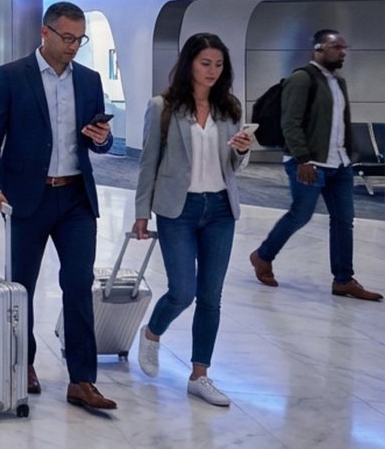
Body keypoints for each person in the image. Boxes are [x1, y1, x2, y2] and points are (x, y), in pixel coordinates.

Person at [0, 1, 116, 411]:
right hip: (26, 199)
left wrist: (102, 137)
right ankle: (25, 363)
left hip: (75, 198)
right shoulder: (12, 76)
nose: (74, 46)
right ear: (46, 32)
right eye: (67, 38)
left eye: (79, 39)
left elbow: (100, 142)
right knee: (21, 288)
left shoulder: (88, 80)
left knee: (77, 287)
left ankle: (83, 379)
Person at [132, 33, 254, 407]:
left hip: (219, 209)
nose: (213, 71)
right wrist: (141, 211)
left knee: (211, 297)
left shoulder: (229, 108)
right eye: (206, 63)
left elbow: (233, 166)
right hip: (177, 210)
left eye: (218, 65)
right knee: (183, 290)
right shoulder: (164, 107)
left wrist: (242, 151)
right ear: (189, 64)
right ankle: (152, 334)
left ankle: (200, 374)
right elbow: (148, 160)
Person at [249, 29, 381, 302]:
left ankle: (343, 280)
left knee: (344, 221)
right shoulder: (301, 78)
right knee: (301, 214)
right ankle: (263, 256)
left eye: (344, 47)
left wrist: (349, 154)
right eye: (337, 47)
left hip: (339, 163)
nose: (343, 52)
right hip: (309, 163)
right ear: (319, 49)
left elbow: (340, 122)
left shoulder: (338, 82)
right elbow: (290, 122)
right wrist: (302, 159)